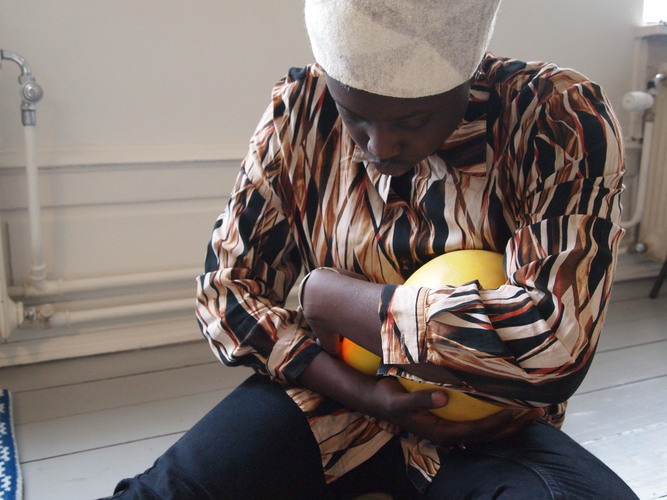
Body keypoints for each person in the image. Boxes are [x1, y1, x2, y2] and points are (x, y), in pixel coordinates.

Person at [103, 0, 639, 498]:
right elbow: (225, 292)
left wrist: (329, 297)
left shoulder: (554, 117)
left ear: (467, 75)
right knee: (164, 492)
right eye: (353, 114)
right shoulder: (303, 108)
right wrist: (365, 395)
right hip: (330, 396)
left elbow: (551, 345)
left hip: (486, 428)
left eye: (413, 120)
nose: (378, 147)